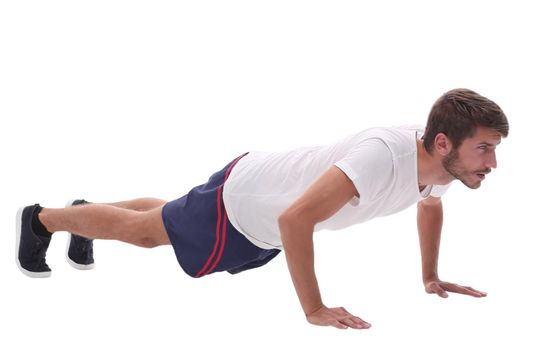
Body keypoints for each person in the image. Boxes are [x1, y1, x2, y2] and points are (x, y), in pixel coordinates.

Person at [16, 88, 509, 330]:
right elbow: (295, 219)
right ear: (443, 141)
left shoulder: (440, 167)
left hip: (259, 197)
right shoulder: (383, 157)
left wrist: (430, 275)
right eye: (484, 148)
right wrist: (313, 309)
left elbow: (429, 207)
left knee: (165, 217)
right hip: (247, 204)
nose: (492, 162)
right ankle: (43, 220)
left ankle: (86, 216)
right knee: (149, 233)